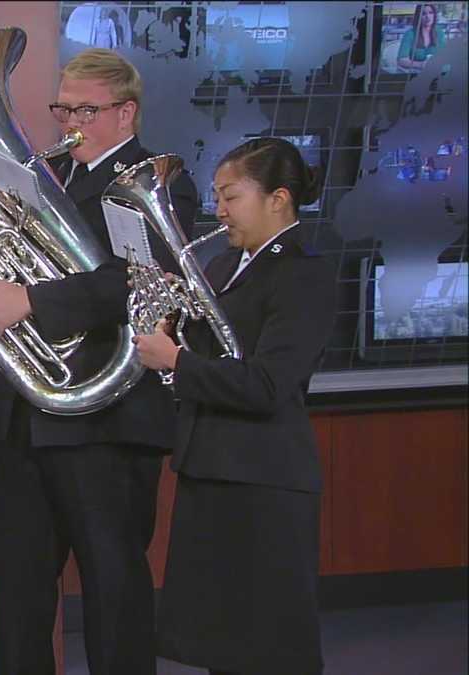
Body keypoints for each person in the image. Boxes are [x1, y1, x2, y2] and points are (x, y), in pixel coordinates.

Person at [0, 48, 199, 674]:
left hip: (106, 421)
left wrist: (32, 299)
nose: (68, 120)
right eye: (61, 107)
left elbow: (144, 279)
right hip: (21, 416)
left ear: (126, 113)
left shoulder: (157, 178)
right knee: (17, 593)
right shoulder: (44, 173)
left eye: (85, 110)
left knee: (114, 587)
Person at [133, 136, 336, 675]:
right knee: (221, 646)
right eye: (218, 198)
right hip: (214, 465)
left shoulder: (302, 272)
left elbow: (269, 383)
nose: (219, 211)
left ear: (279, 199)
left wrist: (178, 362)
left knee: (264, 647)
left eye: (232, 197)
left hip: (264, 477)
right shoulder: (224, 264)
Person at [397, 4, 443, 72]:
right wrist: (420, 65)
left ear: (434, 15)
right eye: (424, 14)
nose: (428, 17)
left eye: (431, 13)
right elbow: (401, 60)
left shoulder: (440, 33)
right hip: (414, 75)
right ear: (418, 17)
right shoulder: (410, 34)